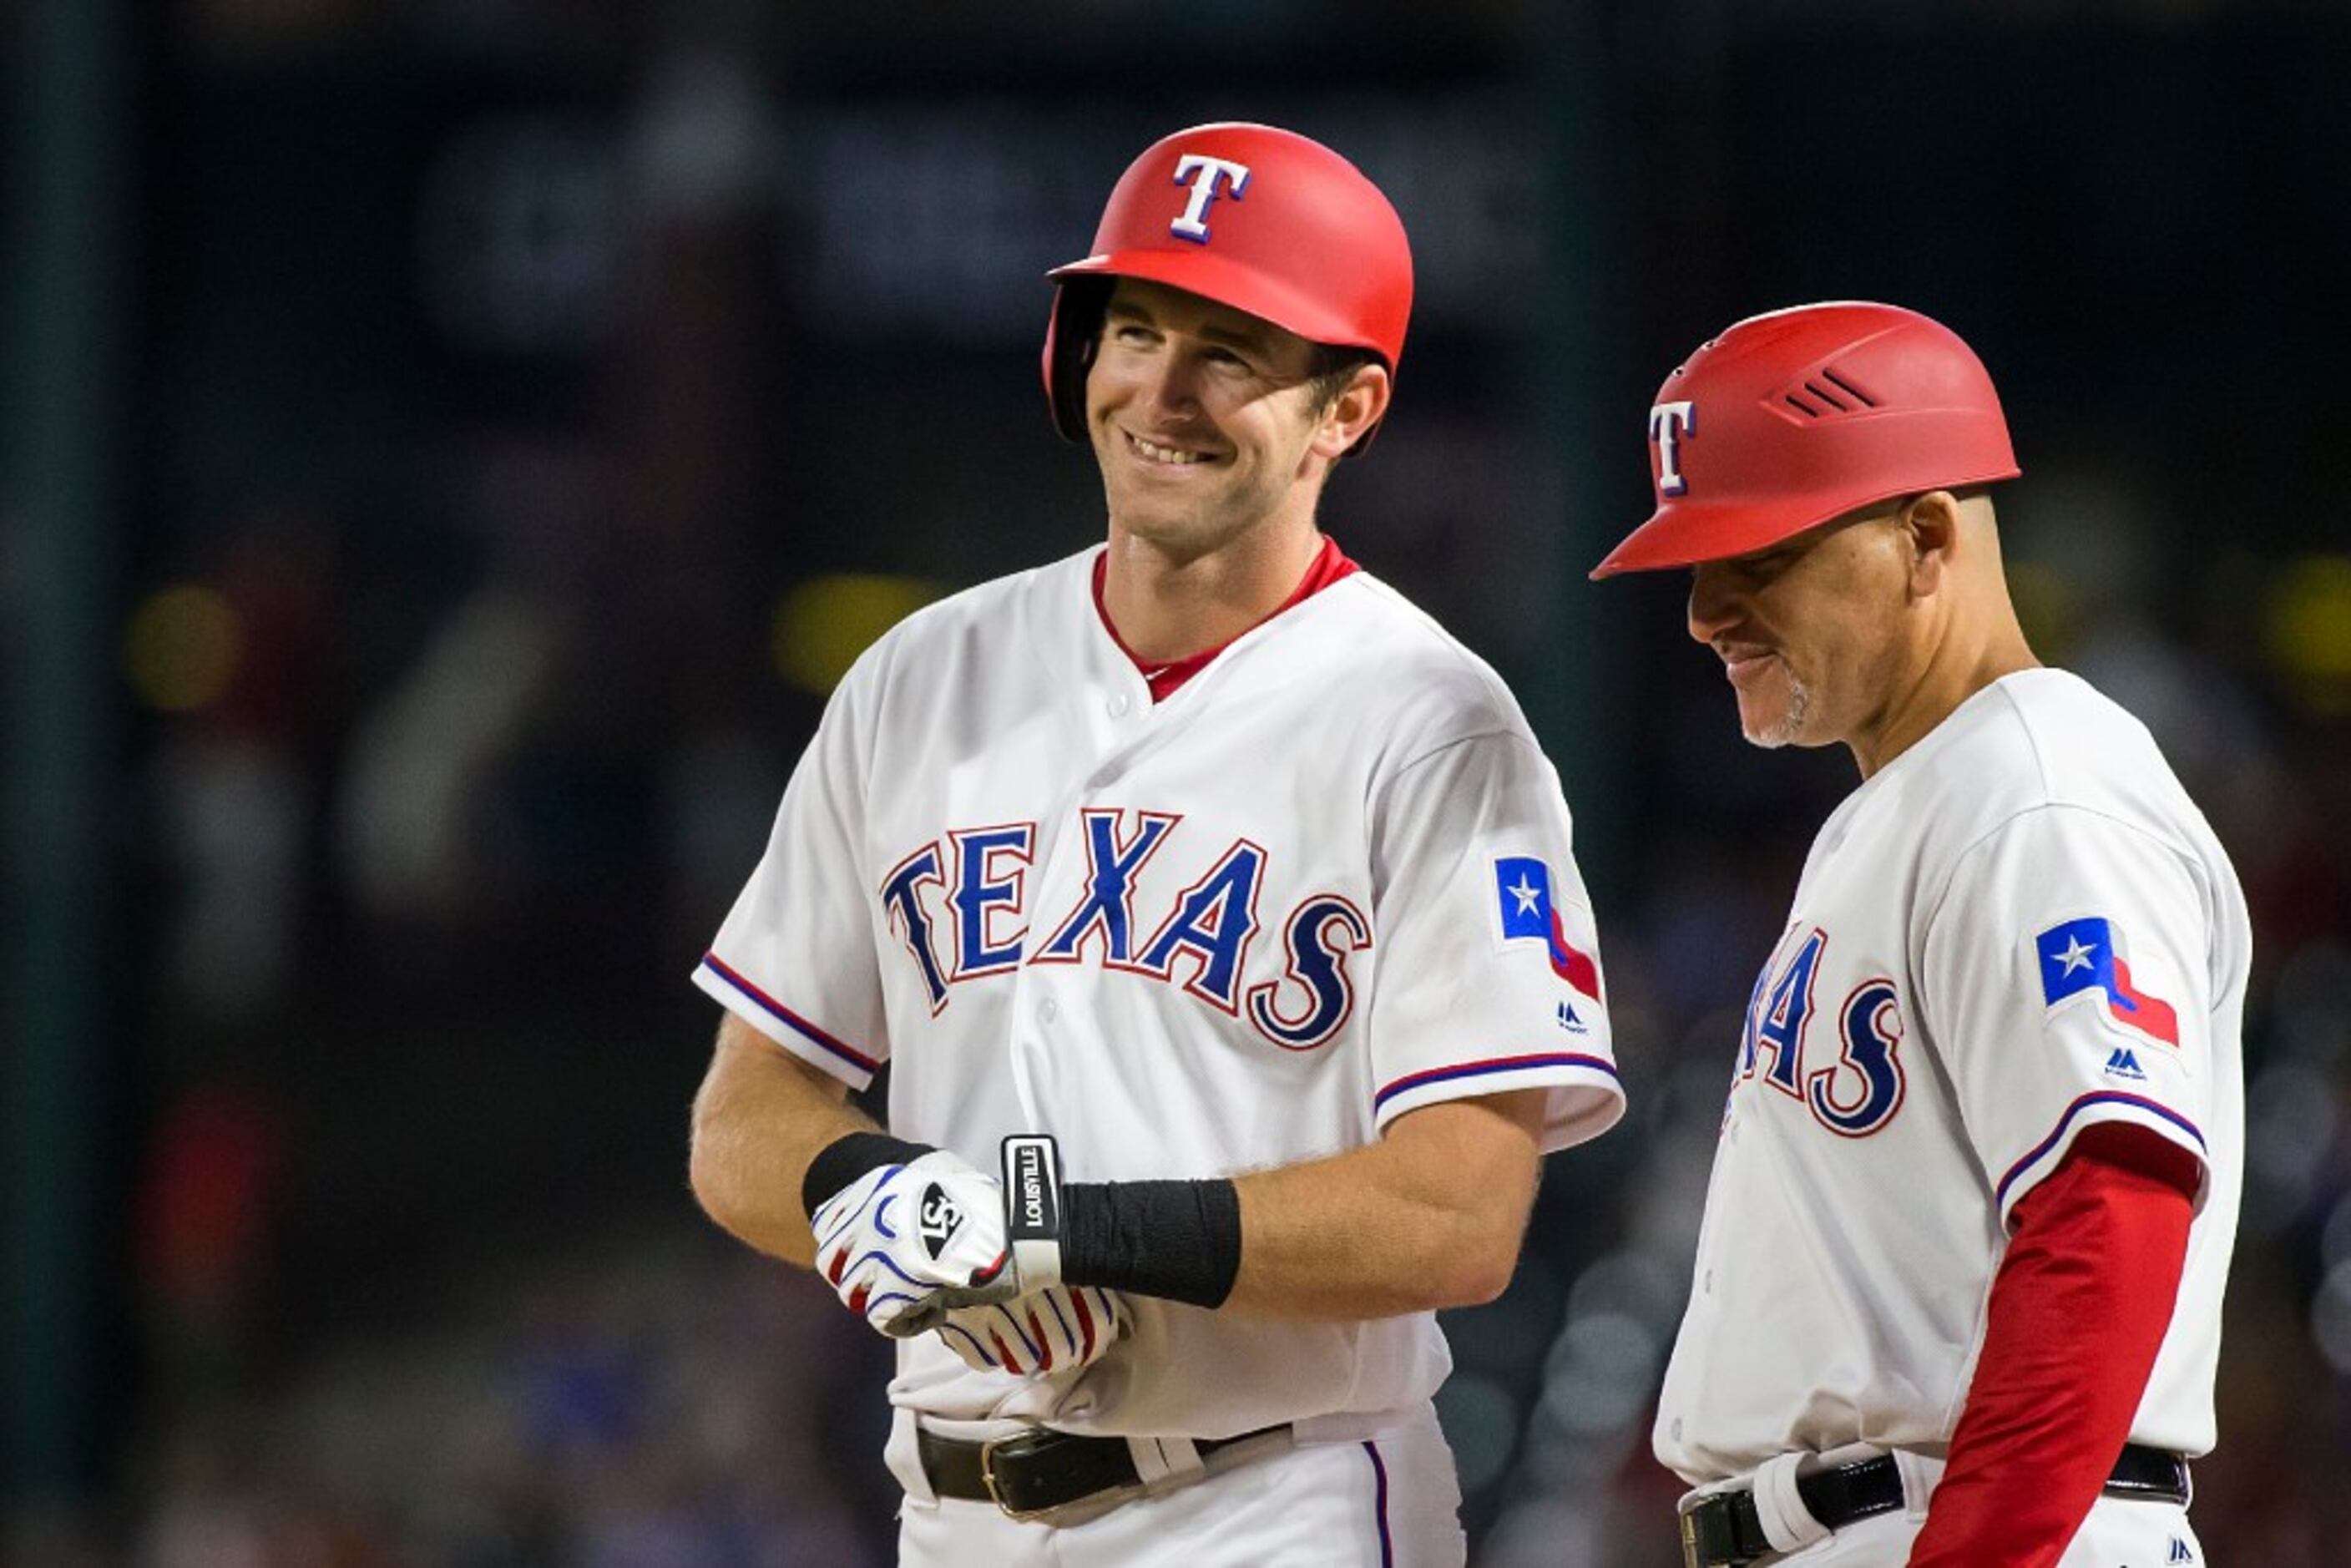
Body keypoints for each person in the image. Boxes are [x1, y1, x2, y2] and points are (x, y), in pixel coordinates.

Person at [685, 121, 1625, 1566]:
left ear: (1347, 410)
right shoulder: (921, 675)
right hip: (951, 1512)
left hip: (1273, 1500)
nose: (1161, 392)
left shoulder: (1432, 721)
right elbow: (742, 1116)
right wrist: (877, 1194)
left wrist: (1056, 1226)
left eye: (1231, 353)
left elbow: (1460, 1211)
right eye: (1135, 329)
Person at [1592, 301, 2246, 1566]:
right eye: (1696, 565)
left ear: (1925, 537)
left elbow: (2106, 1216)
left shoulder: (2038, 797)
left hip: (1981, 1526)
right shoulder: (1915, 803)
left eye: (1756, 557)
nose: (1704, 612)